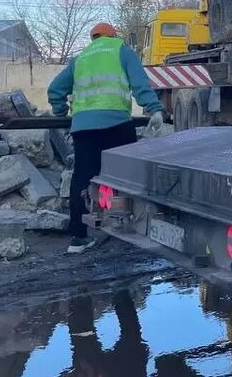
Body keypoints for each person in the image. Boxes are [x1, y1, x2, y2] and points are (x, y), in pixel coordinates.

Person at [48, 22, 165, 254]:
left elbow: (55, 89)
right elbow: (140, 83)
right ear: (114, 35)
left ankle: (78, 238)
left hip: (83, 128)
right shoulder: (121, 50)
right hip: (117, 124)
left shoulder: (80, 58)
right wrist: (154, 108)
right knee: (125, 177)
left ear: (93, 38)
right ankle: (126, 227)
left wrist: (60, 111)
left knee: (82, 178)